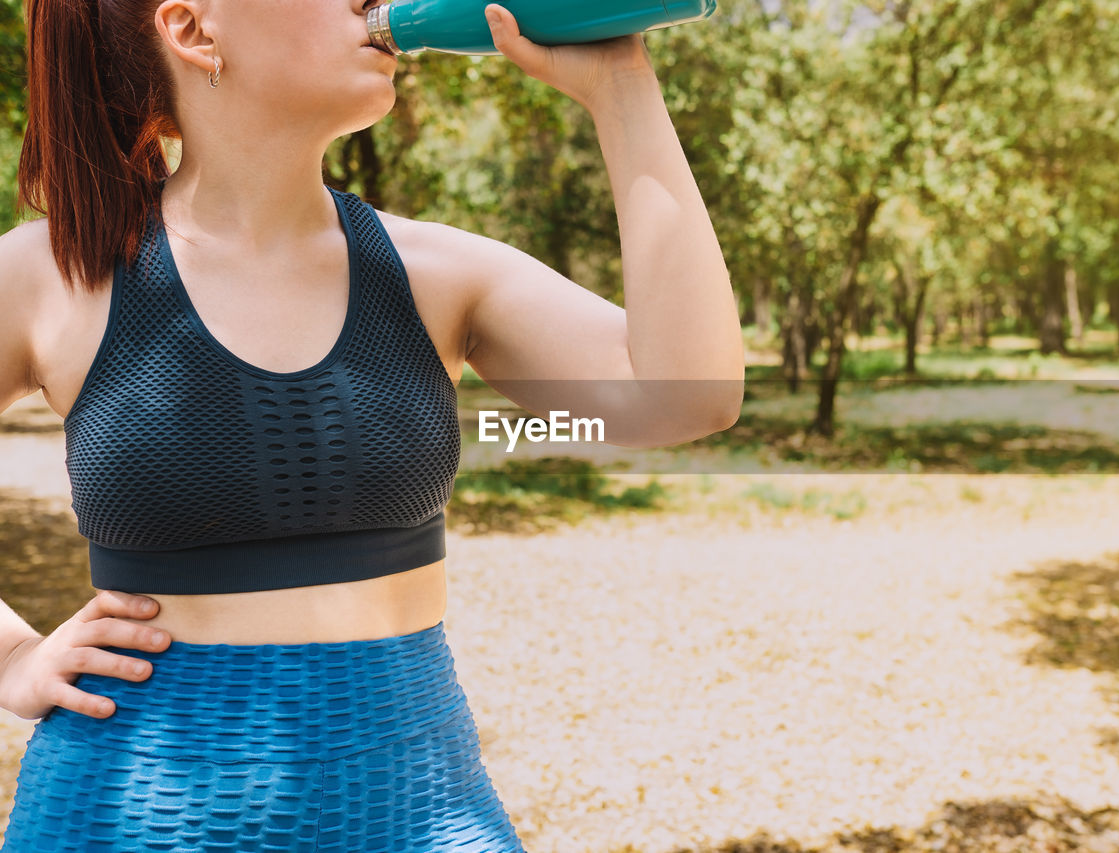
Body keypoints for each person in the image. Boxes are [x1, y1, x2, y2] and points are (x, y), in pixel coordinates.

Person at [0, 0, 743, 849]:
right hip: (135, 813)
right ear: (194, 29)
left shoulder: (438, 274)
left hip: (425, 809)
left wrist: (622, 86)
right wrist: (14, 658)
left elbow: (688, 394)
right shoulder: (55, 272)